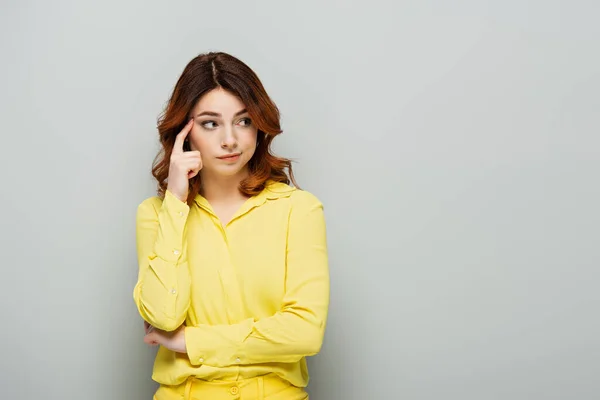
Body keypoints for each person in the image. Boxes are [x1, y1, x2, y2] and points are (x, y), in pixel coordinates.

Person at [133, 51, 329, 400]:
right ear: (185, 132)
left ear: (259, 124)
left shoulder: (298, 210)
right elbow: (163, 316)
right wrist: (176, 203)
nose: (230, 140)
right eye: (210, 123)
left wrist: (191, 342)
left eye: (243, 121)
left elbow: (305, 332)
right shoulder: (157, 215)